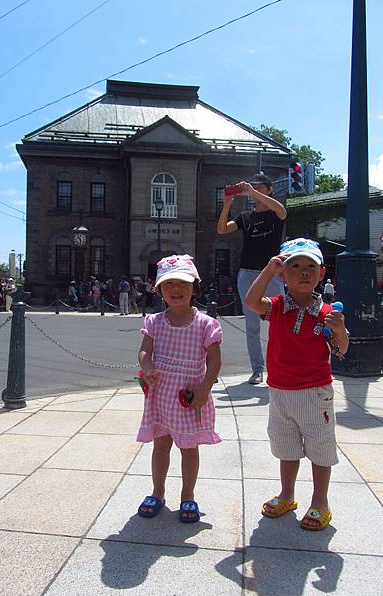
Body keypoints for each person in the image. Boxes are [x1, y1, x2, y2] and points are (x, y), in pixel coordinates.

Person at [245, 238, 349, 531]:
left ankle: (320, 501)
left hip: (315, 393)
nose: (304, 272)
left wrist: (340, 330)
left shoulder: (327, 312)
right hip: (279, 392)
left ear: (322, 272)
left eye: (310, 266)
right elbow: (252, 303)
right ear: (282, 274)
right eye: (295, 266)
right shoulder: (276, 306)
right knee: (286, 447)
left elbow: (341, 349)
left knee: (320, 448)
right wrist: (267, 271)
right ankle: (287, 495)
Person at [136, 254, 222, 523]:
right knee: (160, 446)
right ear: (159, 290)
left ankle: (188, 495)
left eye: (183, 283)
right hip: (161, 395)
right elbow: (144, 352)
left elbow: (215, 360)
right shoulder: (154, 322)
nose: (176, 289)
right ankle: (158, 492)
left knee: (189, 448)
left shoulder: (206, 324)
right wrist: (147, 367)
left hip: (189, 396)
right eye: (168, 283)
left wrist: (204, 390)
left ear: (194, 287)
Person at [217, 173, 286, 384]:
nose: (254, 189)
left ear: (269, 189)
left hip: (272, 272)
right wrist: (227, 204)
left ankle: (282, 366)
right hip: (247, 273)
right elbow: (222, 229)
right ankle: (257, 369)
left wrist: (252, 191)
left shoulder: (275, 213)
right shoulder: (246, 217)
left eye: (259, 186)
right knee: (252, 324)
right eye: (252, 186)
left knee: (281, 319)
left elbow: (282, 211)